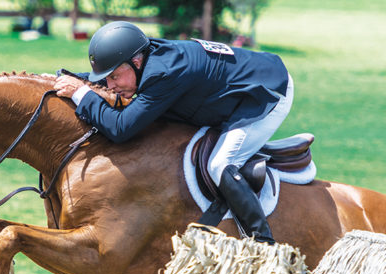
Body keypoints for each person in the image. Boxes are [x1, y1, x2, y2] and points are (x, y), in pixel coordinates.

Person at [54, 21, 293, 244]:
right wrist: (71, 80)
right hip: (242, 81)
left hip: (267, 92)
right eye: (107, 78)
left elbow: (120, 128)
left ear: (136, 63)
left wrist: (80, 94)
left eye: (114, 76)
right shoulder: (143, 56)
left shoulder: (164, 73)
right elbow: (112, 83)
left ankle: (264, 243)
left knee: (220, 163)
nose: (111, 84)